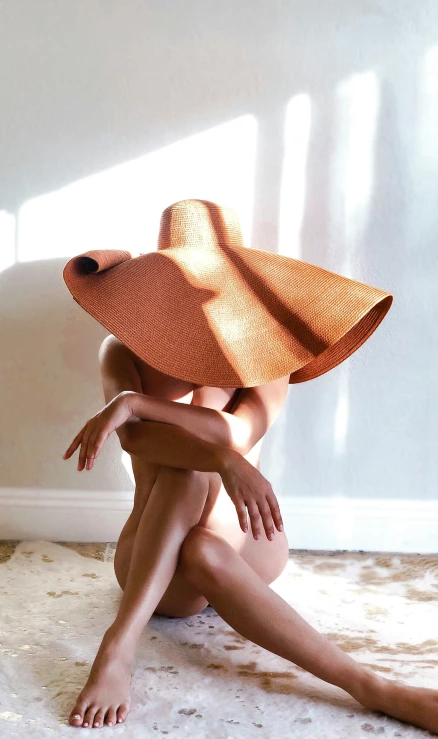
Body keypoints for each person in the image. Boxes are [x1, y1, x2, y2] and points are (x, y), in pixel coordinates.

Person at [61, 200, 438, 733]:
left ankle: (374, 687)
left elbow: (235, 432)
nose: (197, 303)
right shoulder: (120, 352)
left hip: (250, 547)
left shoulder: (268, 355)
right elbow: (138, 443)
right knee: (186, 477)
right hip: (154, 565)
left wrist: (137, 404)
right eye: (179, 289)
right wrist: (214, 457)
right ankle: (119, 648)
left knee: (200, 500)